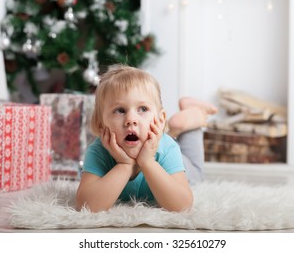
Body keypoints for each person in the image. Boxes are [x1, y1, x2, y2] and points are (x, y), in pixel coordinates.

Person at [75, 65, 217, 213]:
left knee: (197, 173)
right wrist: (124, 165)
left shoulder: (167, 148)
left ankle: (193, 115)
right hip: (153, 137)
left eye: (143, 109)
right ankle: (179, 123)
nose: (131, 120)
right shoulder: (98, 151)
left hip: (182, 164)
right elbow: (86, 206)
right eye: (120, 110)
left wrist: (147, 162)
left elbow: (182, 205)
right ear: (100, 124)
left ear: (160, 120)